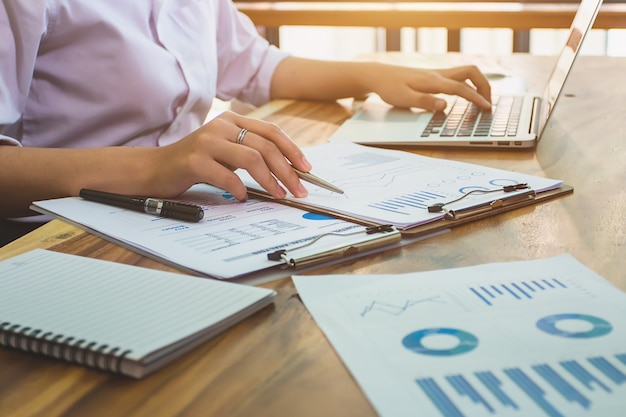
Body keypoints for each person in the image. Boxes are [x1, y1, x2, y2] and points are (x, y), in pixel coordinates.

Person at [0, 0, 492, 245]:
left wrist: (371, 72)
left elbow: (253, 65)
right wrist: (154, 167)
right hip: (56, 233)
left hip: (185, 214)